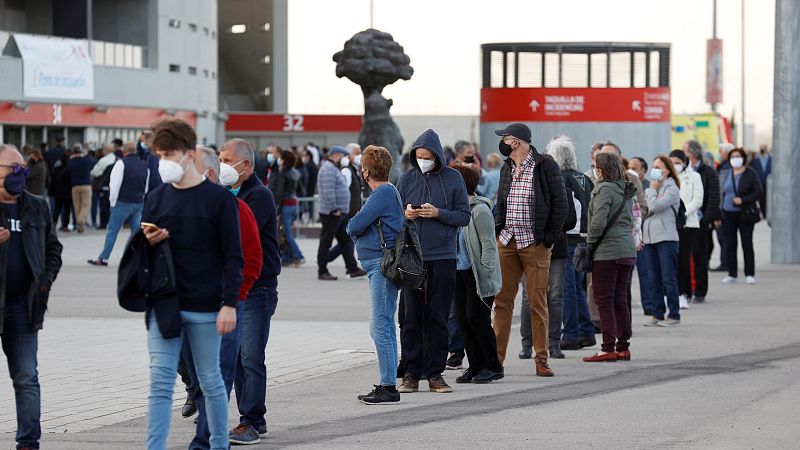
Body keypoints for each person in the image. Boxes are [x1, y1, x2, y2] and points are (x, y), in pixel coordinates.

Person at [139, 118, 241, 450]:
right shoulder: (155, 198)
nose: (164, 161)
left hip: (207, 306)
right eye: (159, 155)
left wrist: (229, 303)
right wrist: (148, 243)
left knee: (210, 381)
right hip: (165, 304)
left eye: (169, 154)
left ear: (189, 153)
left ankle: (219, 444)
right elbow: (142, 256)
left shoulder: (219, 200)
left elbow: (232, 257)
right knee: (160, 382)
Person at [182, 145, 262, 450]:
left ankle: (206, 440)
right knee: (200, 378)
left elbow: (253, 259)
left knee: (217, 377)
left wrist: (235, 298)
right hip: (189, 308)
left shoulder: (237, 209)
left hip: (224, 307)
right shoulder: (181, 206)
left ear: (210, 173)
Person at [396, 129, 471, 394]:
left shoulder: (453, 179)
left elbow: (464, 216)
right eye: (418, 157)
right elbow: (395, 216)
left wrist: (438, 213)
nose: (422, 161)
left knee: (438, 317)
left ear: (437, 155)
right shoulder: (406, 179)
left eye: (427, 157)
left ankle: (435, 373)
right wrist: (406, 214)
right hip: (413, 257)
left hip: (443, 256)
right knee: (411, 318)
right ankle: (411, 373)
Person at [0, 144, 63, 450]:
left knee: (26, 378)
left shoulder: (37, 205)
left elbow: (54, 249)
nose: (19, 173)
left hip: (24, 308)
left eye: (22, 168)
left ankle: (28, 443)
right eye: (12, 168)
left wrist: (45, 282)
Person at [492, 123, 568, 377]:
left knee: (537, 302)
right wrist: (497, 229)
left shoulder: (545, 165)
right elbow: (500, 200)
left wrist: (547, 238)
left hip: (534, 243)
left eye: (505, 138)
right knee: (502, 301)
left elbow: (560, 203)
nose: (502, 142)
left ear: (516, 141)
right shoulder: (507, 167)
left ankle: (541, 358)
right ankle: (496, 361)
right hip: (507, 240)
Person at [219, 138, 281, 444]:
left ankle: (252, 420)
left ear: (245, 164)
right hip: (237, 288)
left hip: (259, 287)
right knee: (238, 356)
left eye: (227, 160)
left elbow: (238, 232)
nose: (222, 166)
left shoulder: (259, 195)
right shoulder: (230, 192)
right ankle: (250, 417)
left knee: (251, 356)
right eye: (220, 159)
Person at [346, 145, 404, 404]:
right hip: (378, 265)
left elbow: (354, 225)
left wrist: (356, 223)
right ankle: (388, 382)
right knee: (385, 324)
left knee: (379, 325)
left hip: (381, 265)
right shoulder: (386, 193)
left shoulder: (381, 194)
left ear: (366, 171)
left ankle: (388, 386)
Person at [446, 162, 504, 383]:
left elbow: (489, 244)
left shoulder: (479, 210)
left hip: (478, 274)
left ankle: (493, 366)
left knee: (477, 319)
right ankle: (475, 366)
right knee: (463, 320)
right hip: (459, 273)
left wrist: (488, 273)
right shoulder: (454, 211)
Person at [582, 152, 637, 362]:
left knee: (604, 300)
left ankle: (607, 347)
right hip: (627, 249)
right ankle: (623, 346)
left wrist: (590, 245)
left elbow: (597, 223)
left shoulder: (603, 188)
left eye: (595, 166)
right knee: (620, 299)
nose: (594, 169)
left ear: (601, 169)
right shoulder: (625, 188)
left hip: (607, 252)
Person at [552, 137, 596, 351]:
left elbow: (564, 210)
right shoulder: (583, 177)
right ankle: (586, 331)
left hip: (569, 237)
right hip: (585, 237)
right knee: (577, 287)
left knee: (567, 287)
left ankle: (570, 334)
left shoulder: (561, 178)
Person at [87, 142, 147, 266]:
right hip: (138, 202)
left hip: (122, 202)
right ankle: (136, 258)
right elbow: (145, 185)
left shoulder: (121, 163)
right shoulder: (143, 164)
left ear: (124, 151)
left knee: (112, 231)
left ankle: (103, 258)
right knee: (136, 233)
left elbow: (114, 185)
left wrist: (112, 201)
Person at [643, 155, 682, 327]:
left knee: (668, 278)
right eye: (653, 167)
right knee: (653, 278)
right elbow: (644, 209)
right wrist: (652, 191)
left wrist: (651, 190)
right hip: (650, 238)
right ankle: (657, 313)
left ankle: (674, 314)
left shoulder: (671, 188)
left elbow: (655, 206)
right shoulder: (653, 188)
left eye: (658, 167)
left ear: (667, 170)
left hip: (666, 238)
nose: (655, 170)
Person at [316, 146, 366, 281]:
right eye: (343, 155)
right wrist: (334, 208)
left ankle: (352, 268)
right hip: (332, 212)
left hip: (339, 212)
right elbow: (328, 191)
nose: (344, 158)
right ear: (336, 155)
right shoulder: (328, 169)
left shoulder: (333, 168)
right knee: (326, 241)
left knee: (345, 241)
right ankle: (322, 270)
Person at [682, 140, 720, 304]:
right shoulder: (683, 172)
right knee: (684, 257)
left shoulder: (708, 172)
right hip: (682, 222)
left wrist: (706, 218)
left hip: (699, 221)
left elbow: (713, 197)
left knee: (699, 256)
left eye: (685, 151)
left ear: (692, 153)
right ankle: (686, 290)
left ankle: (700, 291)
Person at [720, 148, 763, 285]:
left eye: (738, 156)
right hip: (728, 212)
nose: (735, 159)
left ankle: (750, 274)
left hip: (745, 213)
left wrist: (743, 200)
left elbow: (758, 192)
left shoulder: (750, 173)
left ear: (743, 158)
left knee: (747, 243)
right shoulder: (725, 173)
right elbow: (721, 192)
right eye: (733, 156)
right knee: (730, 244)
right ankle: (732, 274)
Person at [669, 150, 704, 309]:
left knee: (684, 259)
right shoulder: (668, 177)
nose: (675, 164)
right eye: (672, 161)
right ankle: (671, 293)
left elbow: (698, 200)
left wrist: (682, 213)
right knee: (671, 260)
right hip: (669, 223)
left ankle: (683, 293)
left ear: (684, 161)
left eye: (677, 161)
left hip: (688, 224)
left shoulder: (694, 176)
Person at [327, 143, 364, 265]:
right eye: (358, 153)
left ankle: (329, 258)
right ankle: (329, 258)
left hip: (353, 209)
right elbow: (343, 191)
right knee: (347, 239)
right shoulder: (347, 171)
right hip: (348, 210)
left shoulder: (354, 170)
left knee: (347, 239)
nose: (360, 156)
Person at [272, 149, 305, 266]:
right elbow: (301, 190)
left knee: (286, 232)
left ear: (284, 160)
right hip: (294, 204)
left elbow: (279, 192)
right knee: (286, 232)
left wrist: (276, 208)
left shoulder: (282, 172)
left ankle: (298, 255)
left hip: (285, 204)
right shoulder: (295, 172)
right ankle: (287, 257)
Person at [712, 142, 735, 272]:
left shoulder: (726, 167)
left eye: (720, 151)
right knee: (724, 237)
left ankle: (725, 262)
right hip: (725, 206)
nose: (719, 154)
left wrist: (717, 209)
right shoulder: (724, 166)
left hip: (724, 207)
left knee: (724, 237)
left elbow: (721, 189)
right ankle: (726, 261)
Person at [67, 143, 95, 233]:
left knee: (77, 206)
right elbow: (94, 162)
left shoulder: (70, 161)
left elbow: (69, 171)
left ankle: (80, 227)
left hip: (75, 186)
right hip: (86, 185)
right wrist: (85, 153)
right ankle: (81, 221)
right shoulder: (86, 160)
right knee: (85, 205)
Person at [91, 144, 117, 228]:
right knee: (111, 206)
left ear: (106, 150)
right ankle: (111, 223)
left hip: (103, 186)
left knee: (103, 206)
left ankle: (103, 224)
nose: (102, 151)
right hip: (113, 186)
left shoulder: (103, 160)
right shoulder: (116, 159)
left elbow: (94, 172)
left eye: (103, 150)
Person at [752, 144, 771, 219]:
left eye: (763, 149)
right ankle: (763, 213)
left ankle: (767, 212)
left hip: (769, 182)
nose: (762, 151)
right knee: (761, 198)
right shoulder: (756, 160)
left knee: (768, 198)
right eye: (761, 149)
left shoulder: (771, 159)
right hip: (759, 182)